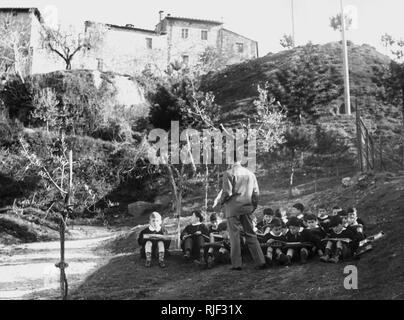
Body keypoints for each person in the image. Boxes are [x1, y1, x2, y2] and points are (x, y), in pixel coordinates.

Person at [221, 158, 266, 270]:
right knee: (251, 234)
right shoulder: (250, 173)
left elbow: (227, 192)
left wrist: (221, 201)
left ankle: (237, 264)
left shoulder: (228, 173)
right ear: (240, 160)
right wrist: (253, 206)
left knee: (234, 236)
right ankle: (260, 261)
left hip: (233, 209)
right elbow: (256, 193)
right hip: (247, 207)